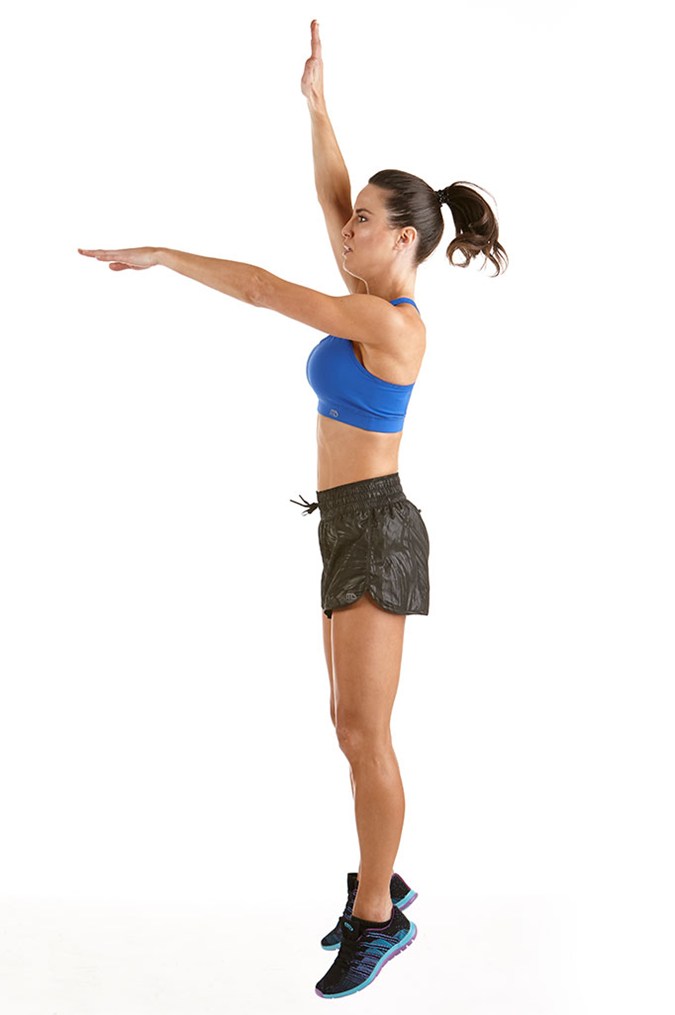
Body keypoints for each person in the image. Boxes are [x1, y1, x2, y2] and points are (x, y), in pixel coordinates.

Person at [78, 18, 507, 1000]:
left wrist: (164, 254)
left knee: (364, 734)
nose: (345, 228)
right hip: (346, 524)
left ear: (404, 238)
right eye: (350, 219)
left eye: (363, 221)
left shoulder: (389, 324)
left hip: (378, 529)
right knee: (347, 725)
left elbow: (266, 289)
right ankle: (379, 874)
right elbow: (329, 189)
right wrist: (317, 105)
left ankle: (379, 916)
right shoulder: (367, 289)